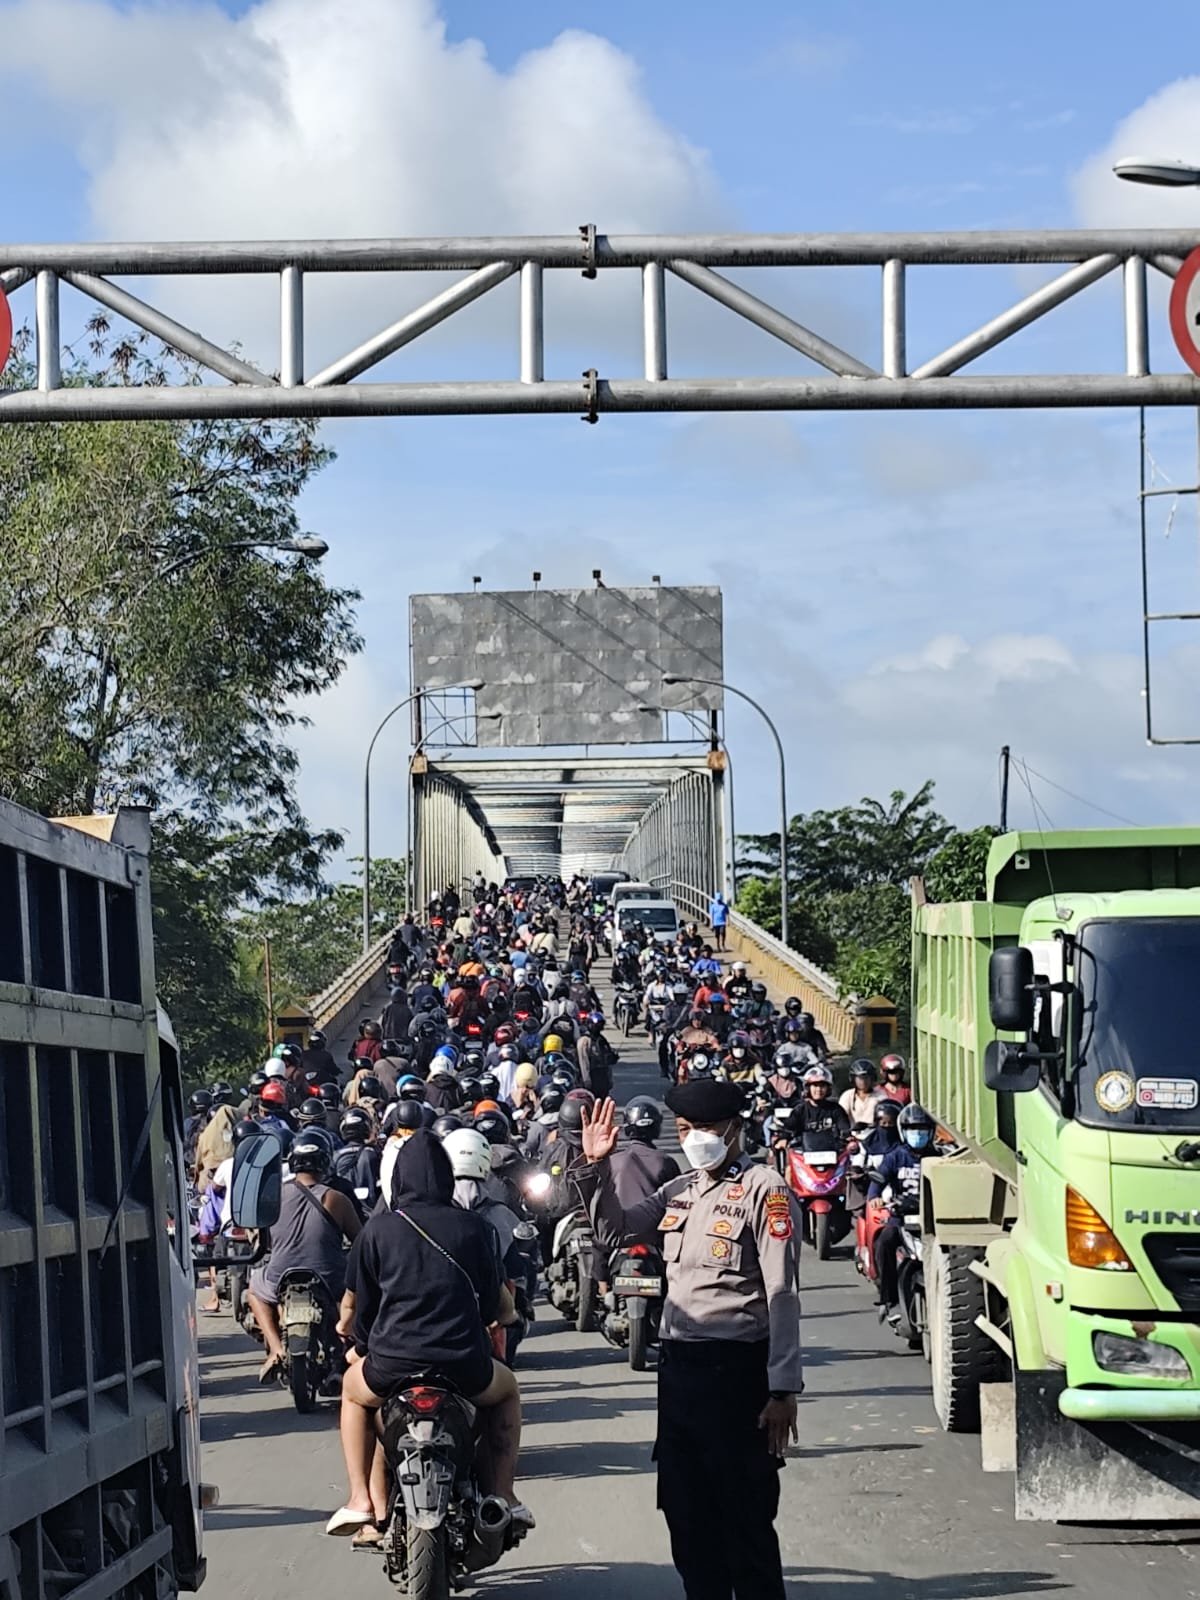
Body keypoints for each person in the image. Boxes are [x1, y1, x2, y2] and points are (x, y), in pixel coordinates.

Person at [578, 1082, 802, 1600]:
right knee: (686, 1514)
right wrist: (596, 1169)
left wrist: (783, 1390)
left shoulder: (765, 1190)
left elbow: (783, 1293)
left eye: (702, 1129)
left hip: (737, 1374)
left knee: (744, 1520)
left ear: (733, 1129)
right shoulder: (681, 1189)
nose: (694, 1139)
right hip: (678, 1373)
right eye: (683, 1130)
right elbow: (618, 1232)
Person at [327, 1131, 534, 1536]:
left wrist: (361, 1345)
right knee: (507, 1390)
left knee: (353, 1394)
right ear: (446, 1178)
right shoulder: (475, 1228)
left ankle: (361, 1500)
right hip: (463, 1365)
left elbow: (359, 1308)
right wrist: (504, 1315)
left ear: (398, 1179)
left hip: (393, 1365)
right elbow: (497, 1304)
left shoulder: (377, 1230)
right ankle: (505, 1495)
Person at [247, 1130, 361, 1384]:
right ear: (325, 1160)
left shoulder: (273, 1197)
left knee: (253, 1290)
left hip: (279, 1275)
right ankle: (345, 1345)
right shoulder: (337, 1199)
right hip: (330, 1278)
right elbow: (361, 1241)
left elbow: (261, 1239)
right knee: (359, 1296)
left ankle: (276, 1348)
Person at [868, 1102, 937, 1323]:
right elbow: (878, 1180)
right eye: (912, 1130)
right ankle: (888, 1299)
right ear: (903, 1132)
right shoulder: (895, 1156)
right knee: (884, 1242)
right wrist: (874, 1198)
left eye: (922, 1129)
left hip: (931, 1220)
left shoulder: (938, 1157)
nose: (918, 1134)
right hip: (901, 1220)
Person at [839, 1060, 884, 1131]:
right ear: (853, 1079)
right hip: (852, 1136)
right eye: (860, 1078)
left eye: (866, 1078)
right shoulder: (847, 1095)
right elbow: (840, 1116)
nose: (863, 1081)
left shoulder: (881, 1095)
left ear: (872, 1078)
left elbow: (884, 1117)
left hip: (874, 1135)